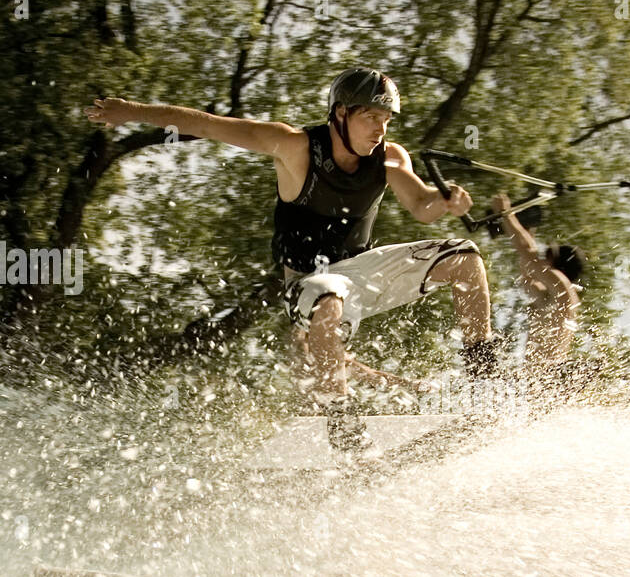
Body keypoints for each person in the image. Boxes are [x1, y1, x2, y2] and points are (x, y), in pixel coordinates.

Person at [85, 68, 502, 454]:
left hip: (365, 271)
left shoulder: (390, 156)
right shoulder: (293, 145)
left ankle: (485, 388)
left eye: (387, 119)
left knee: (465, 258)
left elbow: (420, 205)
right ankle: (344, 430)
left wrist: (444, 201)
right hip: (308, 281)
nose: (380, 128)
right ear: (340, 113)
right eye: (371, 117)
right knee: (327, 298)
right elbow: (208, 125)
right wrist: (132, 112)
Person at [488, 192, 584, 386]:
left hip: (548, 379)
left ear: (555, 264)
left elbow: (529, 257)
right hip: (540, 381)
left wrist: (506, 213)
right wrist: (524, 228)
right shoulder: (552, 297)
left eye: (545, 261)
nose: (542, 265)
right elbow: (526, 270)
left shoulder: (563, 286)